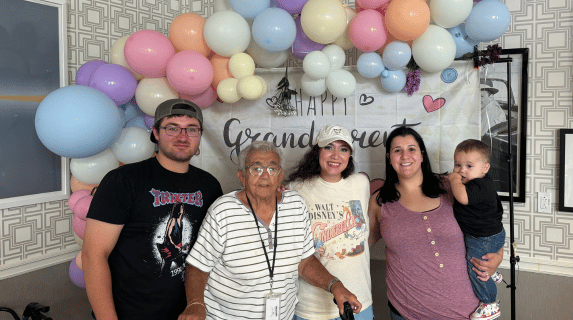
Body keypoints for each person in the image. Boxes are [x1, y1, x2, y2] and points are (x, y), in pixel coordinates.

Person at [179, 141, 362, 320]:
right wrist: (195, 304)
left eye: (272, 169)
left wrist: (334, 285)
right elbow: (198, 266)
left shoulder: (296, 205)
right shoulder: (223, 211)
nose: (265, 176)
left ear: (280, 175)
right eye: (256, 169)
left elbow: (304, 261)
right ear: (242, 176)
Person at [82, 99, 223, 320]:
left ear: (199, 135)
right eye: (172, 127)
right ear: (156, 132)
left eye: (191, 129)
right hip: (131, 313)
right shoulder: (123, 180)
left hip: (188, 314)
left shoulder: (210, 185)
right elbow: (93, 255)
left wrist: (272, 193)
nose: (182, 136)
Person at [368, 126, 504, 320]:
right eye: (397, 150)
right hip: (408, 313)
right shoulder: (379, 202)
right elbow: (359, 245)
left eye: (412, 149)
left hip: (469, 312)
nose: (405, 156)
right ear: (390, 157)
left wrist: (498, 255)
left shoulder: (451, 187)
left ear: (422, 155)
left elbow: (489, 221)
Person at [287, 125, 373, 320]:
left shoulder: (360, 184)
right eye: (329, 147)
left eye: (343, 149)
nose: (335, 155)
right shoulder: (296, 189)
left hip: (359, 303)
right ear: (317, 151)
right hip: (312, 308)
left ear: (350, 155)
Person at [448, 139, 505, 320]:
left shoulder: (479, 185)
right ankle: (493, 272)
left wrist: (453, 179)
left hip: (483, 239)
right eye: (457, 165)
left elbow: (463, 198)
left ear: (485, 168)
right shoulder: (480, 183)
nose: (461, 170)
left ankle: (489, 303)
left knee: (475, 268)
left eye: (469, 166)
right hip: (491, 236)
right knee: (482, 263)